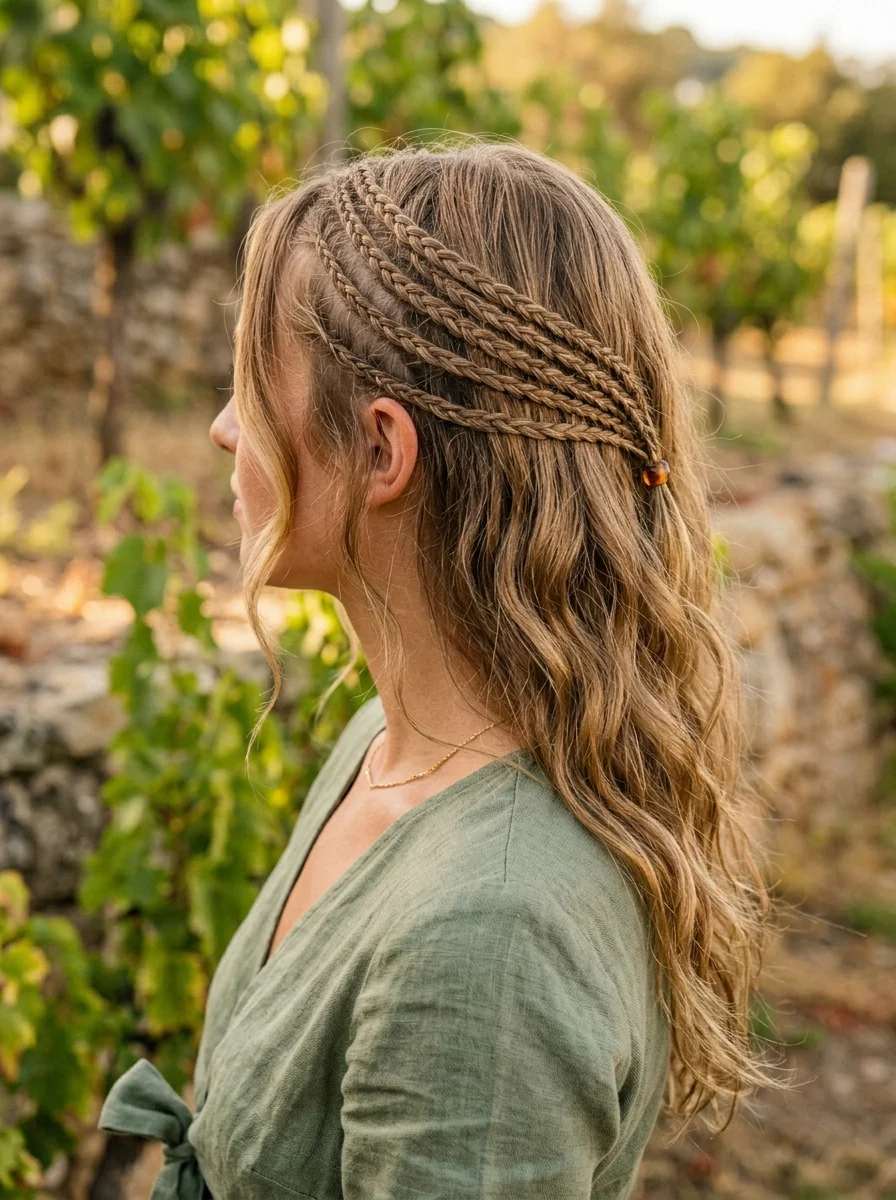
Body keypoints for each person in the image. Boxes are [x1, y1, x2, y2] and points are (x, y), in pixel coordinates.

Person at [98, 140, 778, 1199]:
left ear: (381, 453)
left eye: (249, 384)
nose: (223, 429)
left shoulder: (487, 937)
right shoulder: (384, 747)